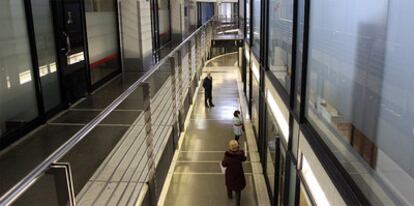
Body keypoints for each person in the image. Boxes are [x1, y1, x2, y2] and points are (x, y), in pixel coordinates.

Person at [222, 140, 247, 206]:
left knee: (229, 185)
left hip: (230, 174)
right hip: (238, 174)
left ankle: (230, 196)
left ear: (230, 147)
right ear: (237, 147)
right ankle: (237, 203)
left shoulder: (227, 156)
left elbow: (224, 164)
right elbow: (244, 159)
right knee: (238, 190)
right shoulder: (240, 155)